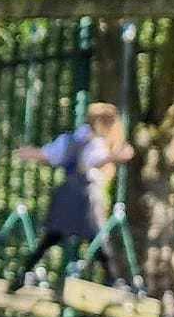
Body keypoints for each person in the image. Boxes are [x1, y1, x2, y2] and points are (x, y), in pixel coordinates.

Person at [9, 103, 132, 290]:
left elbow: (49, 155)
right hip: (86, 196)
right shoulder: (95, 143)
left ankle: (25, 272)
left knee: (51, 237)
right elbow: (87, 164)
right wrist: (114, 157)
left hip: (66, 194)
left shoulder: (70, 139)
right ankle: (115, 281)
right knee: (98, 238)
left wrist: (29, 153)